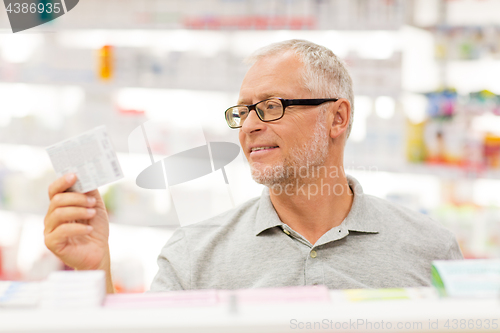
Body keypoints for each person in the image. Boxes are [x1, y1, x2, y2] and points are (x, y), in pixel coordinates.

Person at [44, 40, 462, 293]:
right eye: (242, 112)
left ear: (337, 118)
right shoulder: (193, 254)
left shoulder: (430, 250)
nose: (249, 127)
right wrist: (96, 270)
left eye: (270, 107)